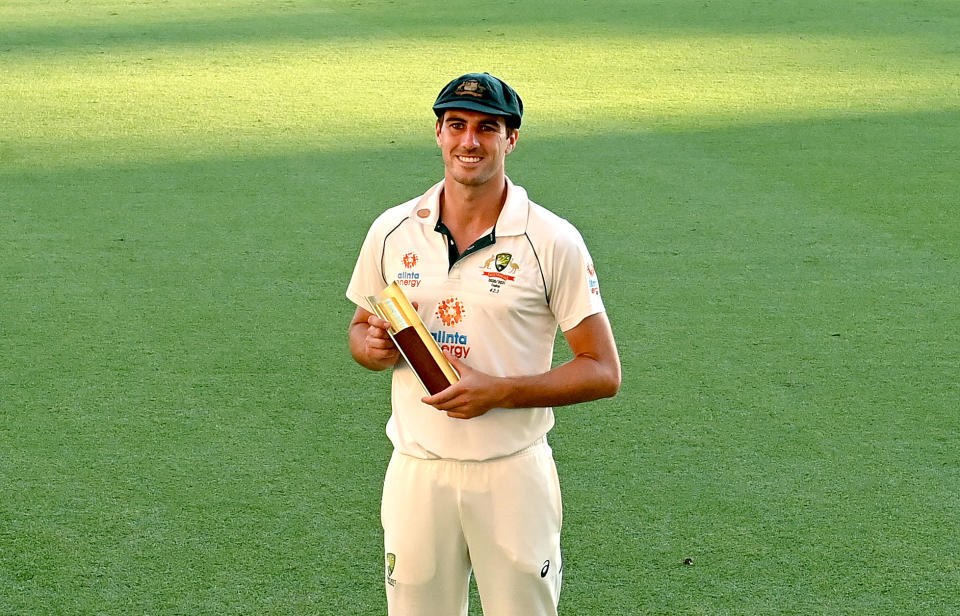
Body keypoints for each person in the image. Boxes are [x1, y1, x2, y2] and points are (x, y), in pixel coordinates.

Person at [346, 72, 621, 616]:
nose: (469, 142)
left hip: (511, 472)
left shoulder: (552, 240)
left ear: (510, 139)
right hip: (417, 468)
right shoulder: (392, 229)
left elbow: (602, 370)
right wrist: (369, 348)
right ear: (439, 133)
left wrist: (499, 392)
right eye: (457, 126)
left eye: (486, 128)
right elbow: (360, 329)